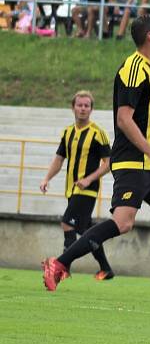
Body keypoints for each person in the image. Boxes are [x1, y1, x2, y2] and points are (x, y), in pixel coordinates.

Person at [41, 14, 150, 292]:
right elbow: (125, 119)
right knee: (123, 223)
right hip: (133, 159)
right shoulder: (132, 69)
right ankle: (59, 264)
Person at [39, 91, 114, 281]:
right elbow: (59, 159)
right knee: (87, 232)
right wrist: (46, 178)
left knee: (67, 222)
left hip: (87, 190)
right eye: (79, 105)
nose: (83, 109)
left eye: (86, 105)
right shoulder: (68, 132)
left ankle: (63, 268)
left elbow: (109, 162)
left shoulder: (98, 133)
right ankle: (106, 269)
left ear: (91, 109)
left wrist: (89, 179)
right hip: (71, 189)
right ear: (73, 107)